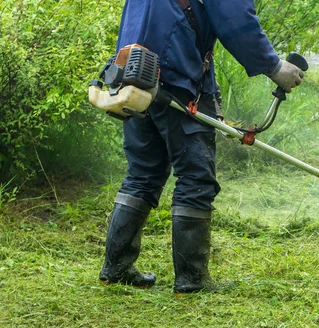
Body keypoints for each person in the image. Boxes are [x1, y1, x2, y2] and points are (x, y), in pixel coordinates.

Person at [99, 0, 304, 293]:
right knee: (196, 177)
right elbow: (234, 17)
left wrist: (210, 89)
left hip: (133, 75)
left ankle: (115, 268)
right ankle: (192, 279)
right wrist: (273, 65)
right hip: (174, 76)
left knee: (143, 172)